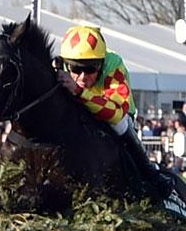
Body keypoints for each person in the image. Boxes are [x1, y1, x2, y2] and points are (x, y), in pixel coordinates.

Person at [54, 24, 179, 206]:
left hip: (117, 113)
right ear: (66, 63)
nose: (82, 77)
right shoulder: (57, 66)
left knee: (119, 124)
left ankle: (151, 174)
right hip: (82, 110)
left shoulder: (114, 65)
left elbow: (115, 112)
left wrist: (79, 91)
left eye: (90, 69)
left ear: (101, 63)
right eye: (75, 68)